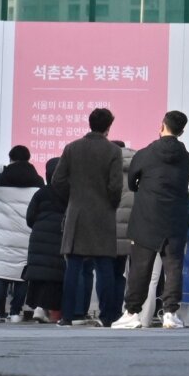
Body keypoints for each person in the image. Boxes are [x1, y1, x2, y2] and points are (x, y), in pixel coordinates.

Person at [115, 111, 189, 330]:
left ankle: (132, 313)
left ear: (162, 126)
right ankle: (170, 312)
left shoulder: (145, 154)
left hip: (146, 217)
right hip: (175, 218)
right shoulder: (188, 159)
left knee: (140, 268)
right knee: (174, 267)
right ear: (182, 131)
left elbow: (132, 182)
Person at [51, 109, 125, 327]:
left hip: (77, 214)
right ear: (108, 126)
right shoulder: (113, 150)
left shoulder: (72, 148)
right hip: (103, 215)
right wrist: (110, 204)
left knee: (73, 268)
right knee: (105, 268)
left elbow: (58, 180)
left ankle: (67, 316)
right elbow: (115, 186)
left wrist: (73, 199)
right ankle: (107, 316)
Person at [0, 146, 42, 323]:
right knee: (21, 273)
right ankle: (15, 313)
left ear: (10, 158)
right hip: (25, 234)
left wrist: (1, 167)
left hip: (1, 236)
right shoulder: (38, 181)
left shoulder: (0, 179)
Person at [22, 158, 67, 322]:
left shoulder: (41, 193)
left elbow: (29, 217)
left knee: (40, 275)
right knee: (55, 276)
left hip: (39, 238)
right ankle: (51, 311)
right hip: (60, 236)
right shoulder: (69, 192)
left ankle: (38, 308)